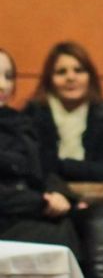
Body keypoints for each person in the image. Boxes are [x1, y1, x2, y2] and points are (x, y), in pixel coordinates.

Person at [24, 41, 103, 278]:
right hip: (50, 197)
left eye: (78, 70)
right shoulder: (33, 114)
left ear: (89, 76)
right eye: (61, 71)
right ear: (49, 79)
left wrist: (63, 165)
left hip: (95, 199)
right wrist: (67, 186)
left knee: (102, 218)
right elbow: (38, 168)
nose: (70, 77)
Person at [0, 47, 83, 261]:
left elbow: (46, 170)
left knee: (91, 217)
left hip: (28, 211)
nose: (3, 85)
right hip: (11, 214)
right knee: (57, 232)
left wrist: (61, 195)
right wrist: (42, 202)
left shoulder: (23, 124)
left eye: (8, 76)